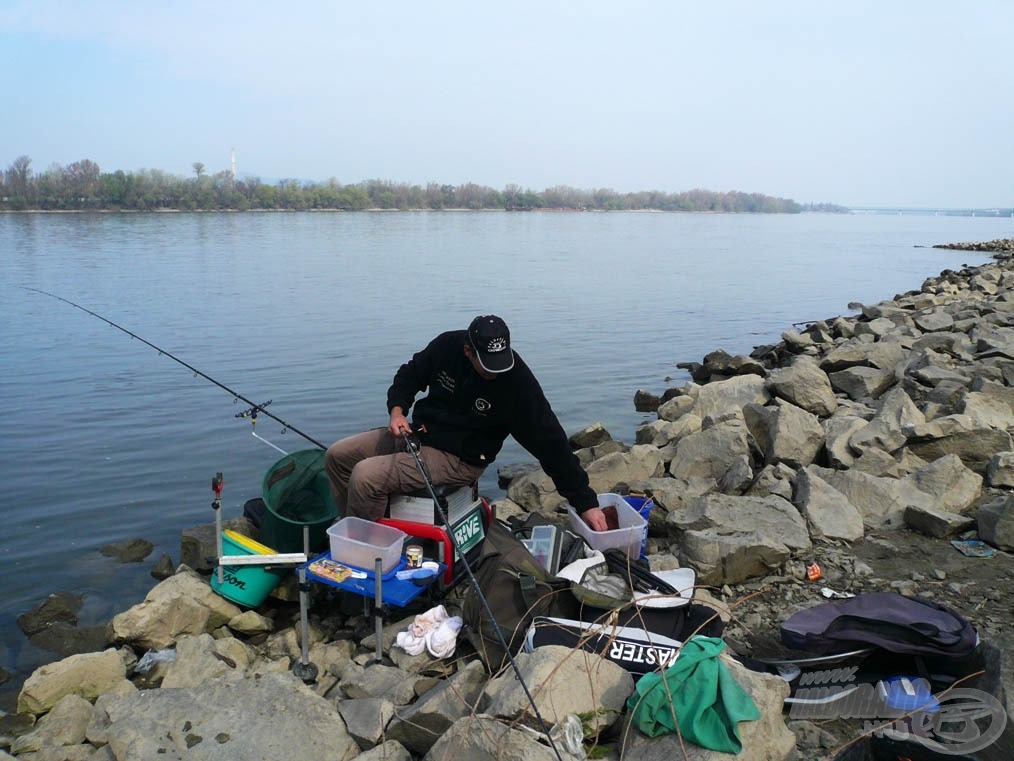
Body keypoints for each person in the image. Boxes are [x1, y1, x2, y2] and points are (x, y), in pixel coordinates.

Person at [324, 315, 607, 531]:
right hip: (419, 434)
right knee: (338, 455)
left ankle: (364, 549)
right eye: (487, 363)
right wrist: (397, 412)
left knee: (366, 475)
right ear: (468, 351)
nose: (495, 371)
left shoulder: (516, 383)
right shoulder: (447, 346)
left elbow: (550, 442)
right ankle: (355, 527)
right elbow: (410, 375)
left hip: (461, 458)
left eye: (500, 361)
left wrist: (586, 503)